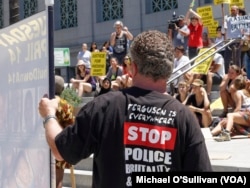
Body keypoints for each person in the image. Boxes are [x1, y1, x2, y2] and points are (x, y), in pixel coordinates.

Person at [38, 30, 212, 188]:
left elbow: (60, 150)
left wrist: (49, 115)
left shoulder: (103, 107)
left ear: (133, 68)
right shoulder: (184, 117)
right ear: (169, 70)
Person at [212, 76, 250, 141]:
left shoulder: (238, 93)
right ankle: (211, 134)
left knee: (229, 116)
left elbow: (238, 108)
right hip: (246, 115)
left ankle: (226, 133)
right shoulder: (245, 92)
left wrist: (229, 118)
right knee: (224, 122)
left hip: (247, 114)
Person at [54, 75, 75, 188]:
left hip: (43, 145)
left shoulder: (45, 102)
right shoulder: (65, 105)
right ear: (62, 89)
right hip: (59, 145)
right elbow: (70, 126)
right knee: (58, 180)